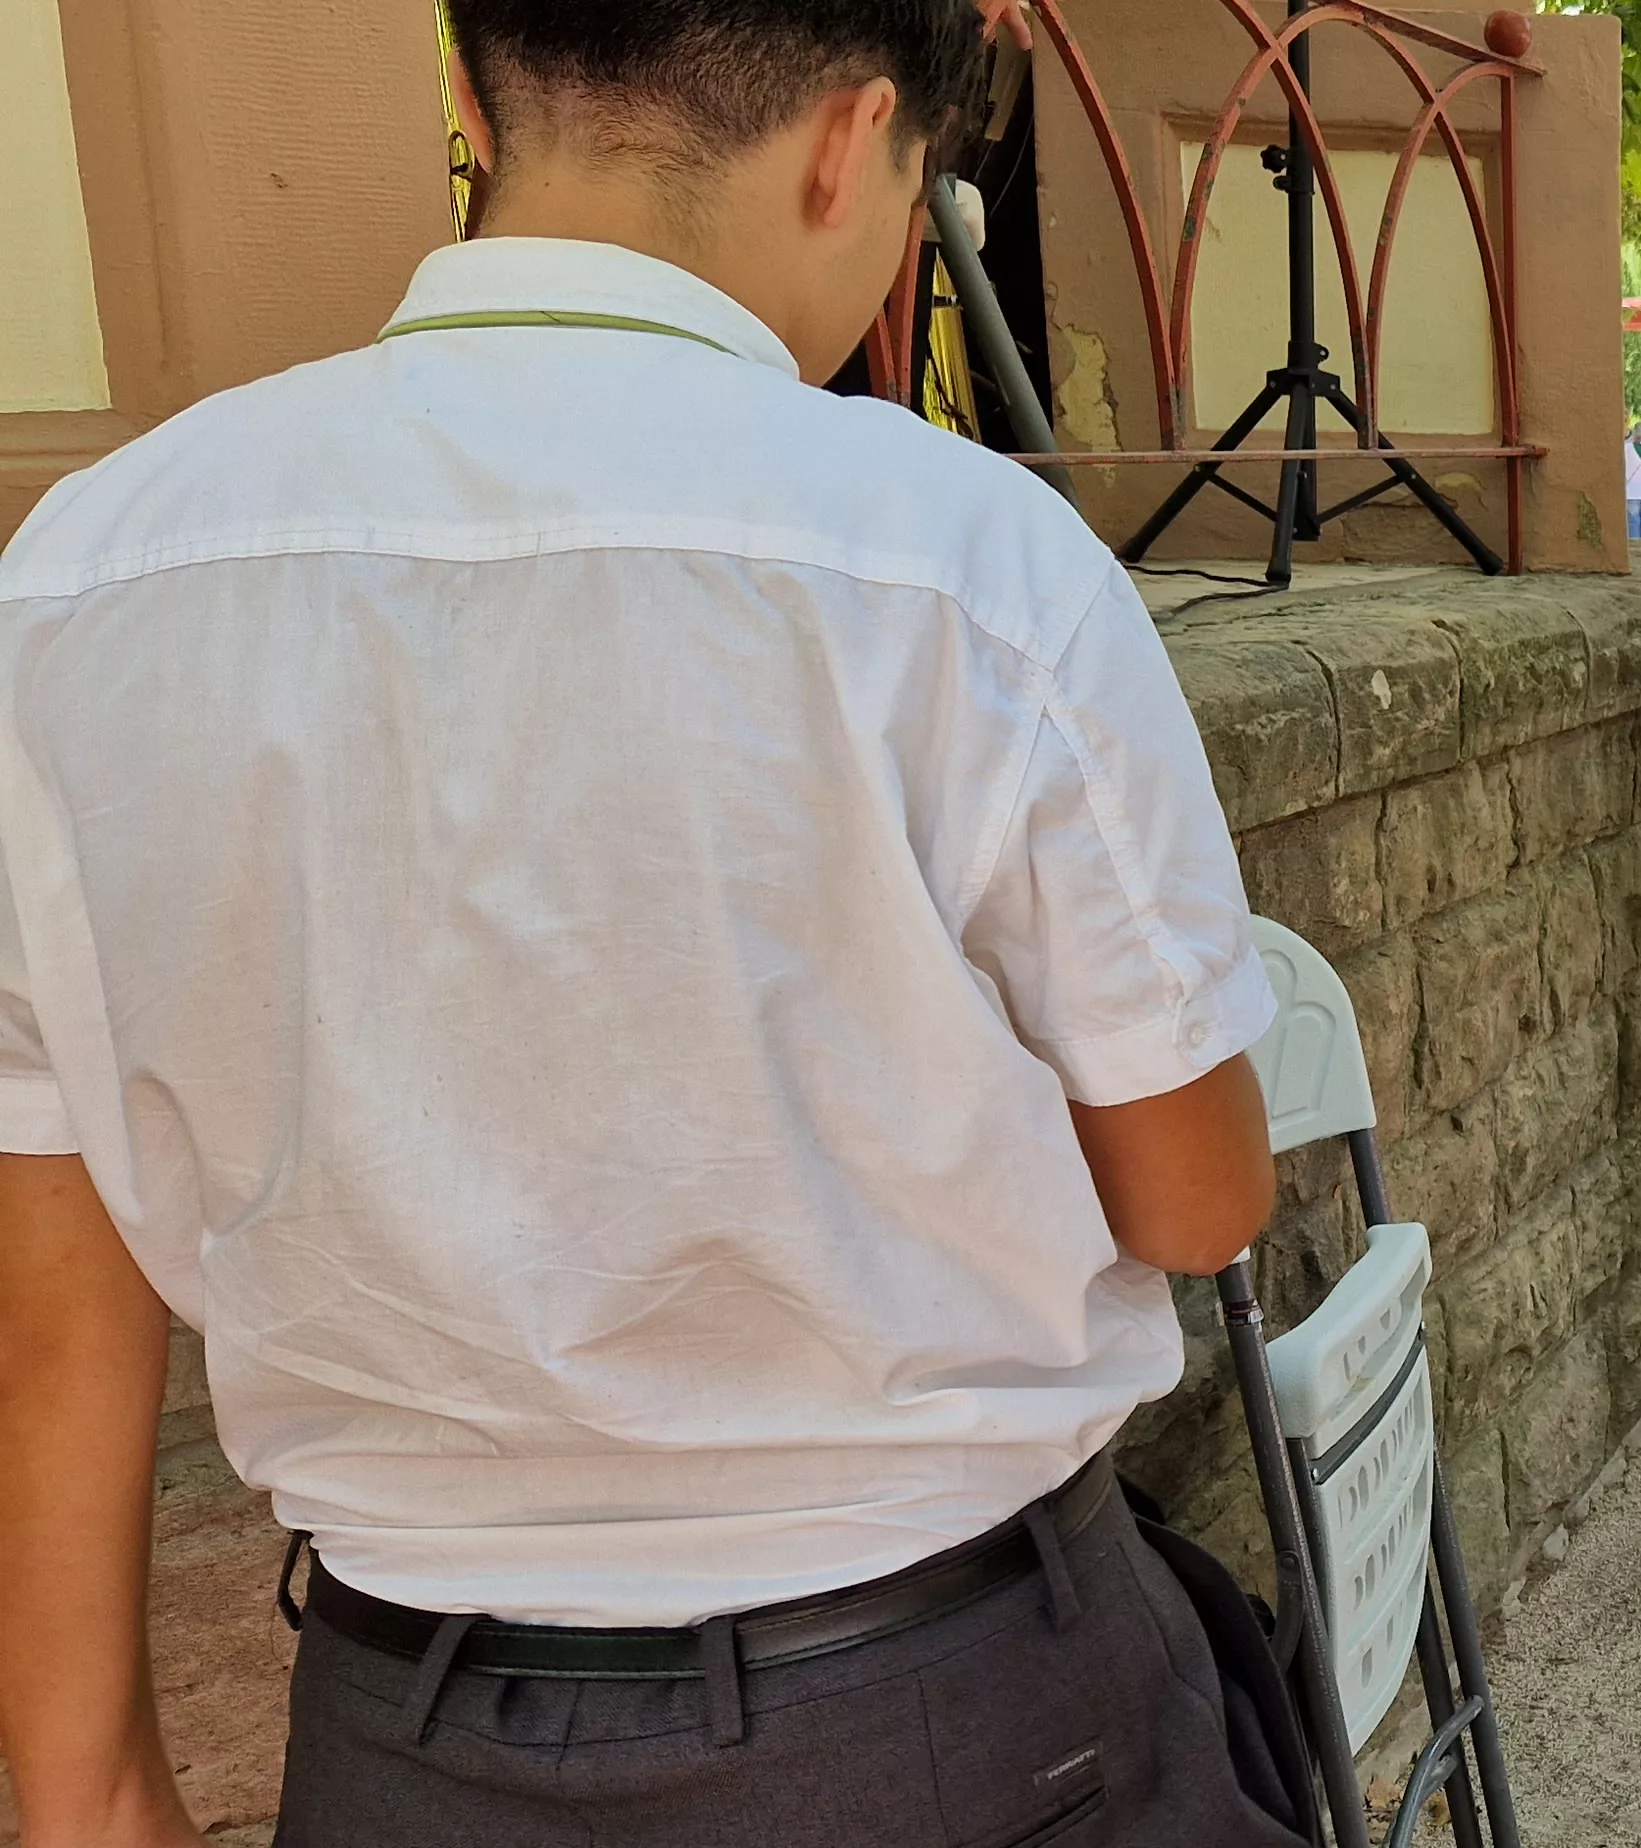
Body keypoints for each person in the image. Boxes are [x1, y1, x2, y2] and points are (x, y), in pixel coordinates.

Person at [0, 4, 1302, 1844]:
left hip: (407, 1739)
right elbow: (1198, 1200)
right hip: (957, 1711)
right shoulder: (964, 567)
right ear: (856, 140)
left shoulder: (77, 587)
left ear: (471, 90)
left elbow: (57, 1311)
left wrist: (84, 1796)